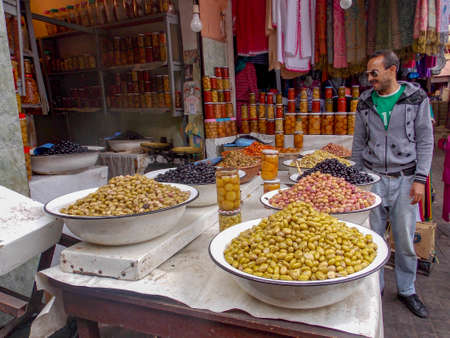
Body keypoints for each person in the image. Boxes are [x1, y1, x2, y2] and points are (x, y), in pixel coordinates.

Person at [351, 50, 434, 318]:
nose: (370, 77)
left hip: (406, 179)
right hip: (373, 179)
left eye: (374, 72)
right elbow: (358, 143)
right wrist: (356, 178)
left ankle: (407, 289)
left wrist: (420, 179)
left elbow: (425, 140)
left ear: (392, 70)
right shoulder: (364, 101)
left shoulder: (416, 98)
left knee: (405, 239)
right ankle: (374, 288)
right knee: (371, 238)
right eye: (368, 73)